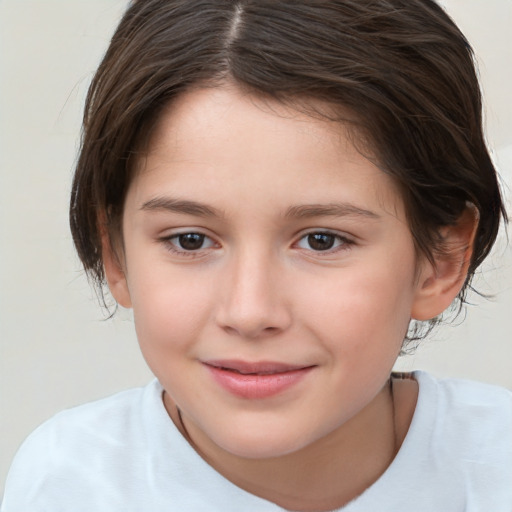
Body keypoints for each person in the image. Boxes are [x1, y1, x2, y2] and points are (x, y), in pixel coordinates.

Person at [2, 0, 511, 510]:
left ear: (442, 259)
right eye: (190, 240)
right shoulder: (68, 483)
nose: (249, 312)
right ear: (116, 253)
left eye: (322, 240)